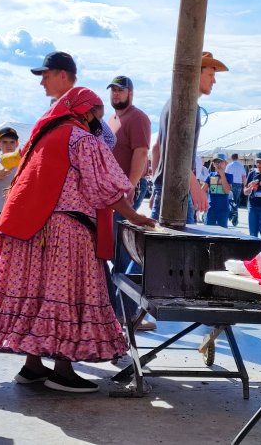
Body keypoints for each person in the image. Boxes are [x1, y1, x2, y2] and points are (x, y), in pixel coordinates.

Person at [0, 87, 155, 394]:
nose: (99, 120)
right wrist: (134, 216)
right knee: (66, 296)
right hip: (66, 231)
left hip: (32, 231)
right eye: (96, 113)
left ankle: (32, 366)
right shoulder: (81, 139)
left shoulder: (42, 138)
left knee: (40, 297)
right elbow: (105, 187)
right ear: (84, 110)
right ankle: (63, 371)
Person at [151, 52, 228, 222]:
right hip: (178, 190)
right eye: (210, 75)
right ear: (195, 73)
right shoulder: (186, 105)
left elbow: (157, 148)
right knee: (179, 246)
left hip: (165, 187)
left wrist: (157, 186)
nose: (214, 80)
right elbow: (177, 152)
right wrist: (195, 186)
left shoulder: (170, 102)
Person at [106, 76, 154, 330]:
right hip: (112, 193)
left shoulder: (138, 118)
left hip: (125, 190)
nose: (115, 94)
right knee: (115, 253)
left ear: (130, 93)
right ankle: (121, 313)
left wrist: (130, 185)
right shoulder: (113, 120)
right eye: (113, 90)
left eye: (120, 90)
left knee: (124, 255)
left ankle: (125, 314)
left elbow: (141, 153)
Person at [0, 128, 20, 226]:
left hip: (12, 209)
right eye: (4, 142)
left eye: (12, 142)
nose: (8, 145)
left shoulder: (23, 163)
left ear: (17, 144)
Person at [202, 153, 233, 228]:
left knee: (222, 232)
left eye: (220, 162)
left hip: (223, 209)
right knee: (209, 230)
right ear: (213, 164)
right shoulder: (210, 175)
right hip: (211, 208)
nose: (218, 164)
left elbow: (227, 191)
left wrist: (222, 175)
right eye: (216, 162)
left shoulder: (229, 176)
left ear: (225, 164)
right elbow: (202, 190)